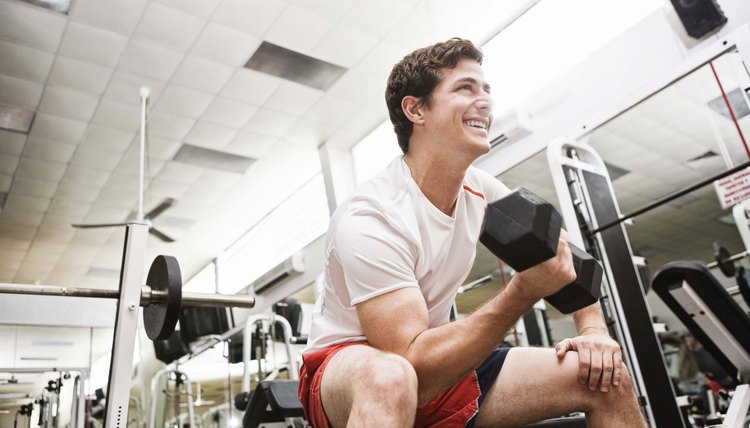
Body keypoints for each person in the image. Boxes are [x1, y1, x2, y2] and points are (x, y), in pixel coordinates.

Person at [298, 37, 647, 427]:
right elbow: (414, 369)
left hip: (430, 356)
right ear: (415, 109)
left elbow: (567, 259)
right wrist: (521, 292)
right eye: (465, 88)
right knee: (390, 379)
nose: (485, 101)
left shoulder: (482, 189)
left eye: (486, 90)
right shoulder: (373, 216)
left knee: (605, 379)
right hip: (350, 367)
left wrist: (594, 330)